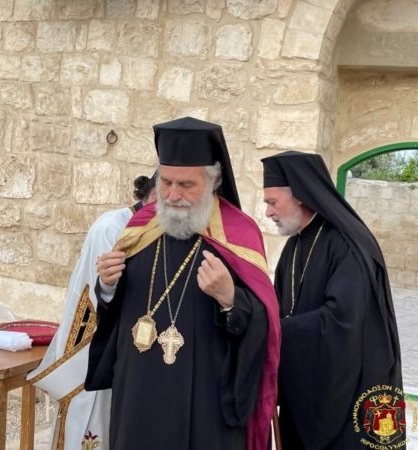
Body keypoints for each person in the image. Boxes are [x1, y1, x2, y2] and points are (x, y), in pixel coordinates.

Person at [86, 117, 281, 450]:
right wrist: (107, 286)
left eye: (186, 185)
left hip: (206, 404)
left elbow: (264, 325)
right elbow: (114, 313)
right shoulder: (140, 229)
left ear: (213, 181)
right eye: (166, 182)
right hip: (138, 397)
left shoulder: (239, 234)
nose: (173, 195)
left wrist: (230, 299)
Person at [262, 151, 406, 450]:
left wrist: (272, 330)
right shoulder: (294, 245)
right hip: (308, 393)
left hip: (353, 394)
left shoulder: (347, 245)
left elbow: (342, 323)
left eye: (273, 202)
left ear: (300, 196)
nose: (268, 212)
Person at [28, 173, 157, 450]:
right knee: (91, 428)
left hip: (128, 353)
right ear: (152, 194)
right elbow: (106, 295)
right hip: (96, 347)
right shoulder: (112, 227)